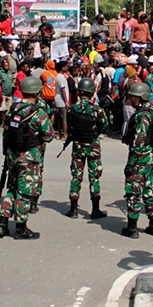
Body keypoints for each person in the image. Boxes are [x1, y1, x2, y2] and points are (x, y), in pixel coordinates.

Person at [0, 77, 54, 240]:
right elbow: (49, 136)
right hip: (29, 158)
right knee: (24, 192)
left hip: (12, 155)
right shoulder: (39, 113)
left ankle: (2, 223)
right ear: (37, 92)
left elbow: (6, 132)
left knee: (12, 189)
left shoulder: (13, 109)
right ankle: (21, 228)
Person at [120, 82, 153, 238]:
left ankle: (132, 228)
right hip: (150, 157)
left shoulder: (142, 115)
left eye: (134, 97)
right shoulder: (152, 111)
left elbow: (139, 140)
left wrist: (130, 164)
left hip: (140, 158)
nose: (132, 99)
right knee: (148, 191)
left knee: (133, 192)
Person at [65, 78, 109, 219]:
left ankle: (73, 209)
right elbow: (104, 127)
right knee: (94, 177)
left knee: (76, 176)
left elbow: (70, 126)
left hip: (77, 145)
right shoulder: (97, 110)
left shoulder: (72, 109)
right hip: (93, 146)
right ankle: (95, 209)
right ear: (92, 93)